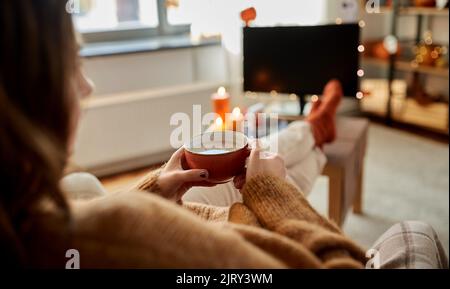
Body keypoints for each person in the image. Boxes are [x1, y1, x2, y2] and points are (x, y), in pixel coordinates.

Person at [1, 1, 447, 269]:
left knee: (263, 158)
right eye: (73, 65)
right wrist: (270, 193)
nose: (87, 86)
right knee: (413, 227)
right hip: (241, 232)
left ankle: (312, 130)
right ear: (28, 86)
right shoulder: (116, 236)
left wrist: (154, 188)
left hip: (179, 210)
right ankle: (316, 128)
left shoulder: (28, 211)